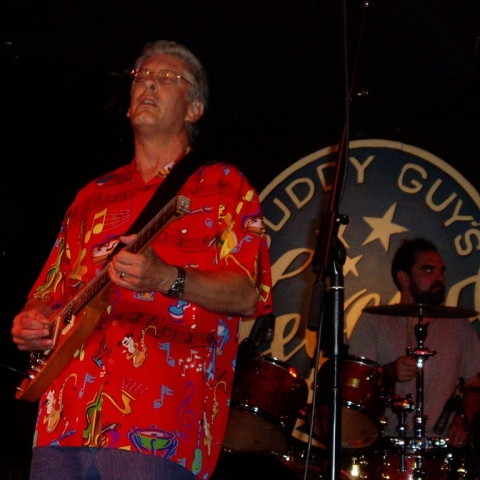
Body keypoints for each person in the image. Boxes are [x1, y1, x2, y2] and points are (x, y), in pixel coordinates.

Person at [11, 40, 273, 480]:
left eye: (168, 78)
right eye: (142, 77)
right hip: (62, 419)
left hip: (158, 422)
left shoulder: (225, 185)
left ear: (194, 110)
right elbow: (45, 295)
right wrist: (32, 321)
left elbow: (249, 294)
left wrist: (168, 277)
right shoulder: (90, 197)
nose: (149, 83)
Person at [348, 238, 480, 471]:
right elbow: (354, 385)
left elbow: (475, 385)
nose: (440, 277)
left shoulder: (459, 325)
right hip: (385, 446)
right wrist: (389, 372)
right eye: (428, 270)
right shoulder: (374, 321)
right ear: (404, 278)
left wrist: (463, 419)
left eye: (441, 271)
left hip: (443, 450)